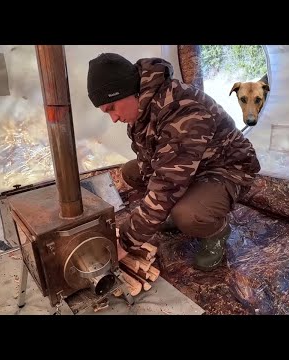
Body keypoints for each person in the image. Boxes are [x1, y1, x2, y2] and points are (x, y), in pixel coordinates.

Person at [87, 53, 261, 271]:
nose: (113, 118)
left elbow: (166, 185)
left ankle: (217, 231)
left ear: (126, 91)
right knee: (131, 171)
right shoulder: (141, 109)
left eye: (112, 107)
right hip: (193, 166)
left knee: (188, 215)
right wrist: (153, 216)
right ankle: (175, 211)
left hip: (227, 168)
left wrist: (125, 242)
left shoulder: (183, 111)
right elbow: (150, 162)